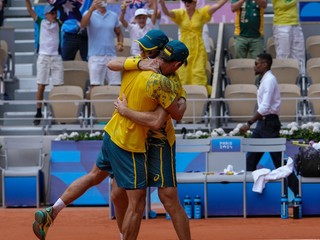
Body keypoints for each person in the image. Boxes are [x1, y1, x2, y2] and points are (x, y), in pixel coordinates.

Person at [32, 32, 188, 240]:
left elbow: (114, 64)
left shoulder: (136, 67)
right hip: (131, 143)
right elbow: (159, 120)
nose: (141, 51)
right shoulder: (152, 76)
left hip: (114, 133)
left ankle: (52, 211)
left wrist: (181, 98)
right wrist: (179, 102)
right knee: (137, 201)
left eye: (146, 49)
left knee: (99, 179)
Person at [239, 52, 299, 196]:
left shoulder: (269, 80)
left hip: (269, 124)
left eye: (256, 63)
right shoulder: (264, 79)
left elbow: (265, 108)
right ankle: (250, 196)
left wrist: (248, 123)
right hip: (263, 124)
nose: (254, 66)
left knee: (279, 164)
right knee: (251, 160)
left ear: (265, 64)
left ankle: (298, 193)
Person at [159, 0, 228, 94]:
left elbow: (216, 6)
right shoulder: (180, 14)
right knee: (183, 71)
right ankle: (183, 95)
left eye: (190, 1)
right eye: (185, 1)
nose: (187, 3)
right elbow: (167, 12)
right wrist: (162, 3)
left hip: (198, 48)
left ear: (195, 3)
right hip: (183, 48)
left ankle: (199, 96)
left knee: (198, 72)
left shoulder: (201, 13)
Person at [25, 1, 64, 126]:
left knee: (58, 86)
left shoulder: (59, 23)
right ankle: (38, 111)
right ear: (46, 14)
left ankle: (58, 113)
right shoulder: (41, 21)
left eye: (55, 12)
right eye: (52, 13)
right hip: (43, 56)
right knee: (41, 85)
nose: (54, 15)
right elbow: (30, 10)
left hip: (56, 56)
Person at [80, 0, 123, 98]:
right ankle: (90, 112)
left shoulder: (113, 15)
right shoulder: (89, 13)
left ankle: (116, 111)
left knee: (116, 85)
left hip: (111, 55)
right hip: (95, 56)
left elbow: (119, 32)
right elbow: (82, 25)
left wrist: (120, 43)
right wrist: (91, 9)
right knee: (94, 86)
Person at [271, 0, 306, 74]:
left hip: (296, 23)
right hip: (282, 25)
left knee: (299, 56)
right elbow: (284, 5)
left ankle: (300, 82)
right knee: (284, 56)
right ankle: (283, 81)